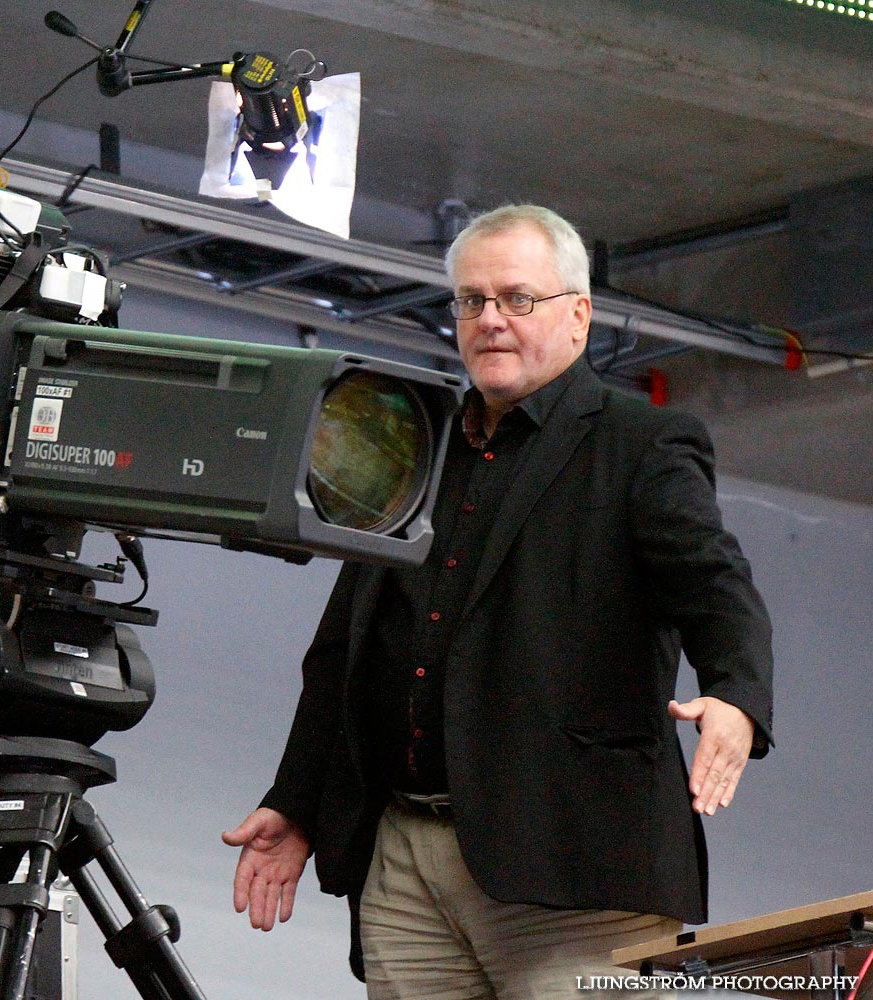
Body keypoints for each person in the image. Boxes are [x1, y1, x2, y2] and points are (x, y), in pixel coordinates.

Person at [224, 204, 775, 1000]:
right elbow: (347, 650)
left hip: (572, 866)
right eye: (470, 301)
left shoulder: (640, 443)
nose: (490, 320)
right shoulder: (417, 441)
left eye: (518, 299)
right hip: (404, 860)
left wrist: (735, 694)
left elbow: (715, 583)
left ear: (578, 315)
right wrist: (298, 803)